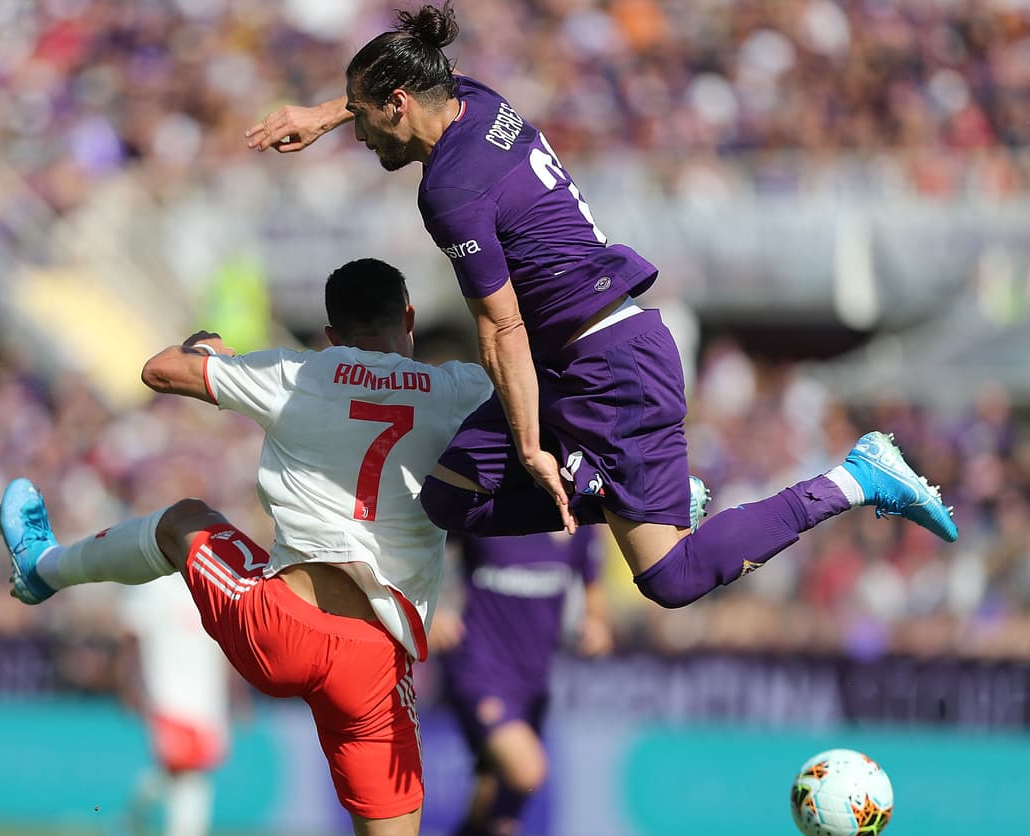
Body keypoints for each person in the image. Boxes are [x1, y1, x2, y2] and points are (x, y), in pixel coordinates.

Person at [244, 2, 957, 609]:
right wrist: (326, 112)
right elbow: (408, 82)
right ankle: (639, 491)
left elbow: (500, 328)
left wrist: (529, 448)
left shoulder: (449, 190)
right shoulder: (480, 103)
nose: (361, 134)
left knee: (669, 579)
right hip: (573, 358)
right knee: (449, 500)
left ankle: (858, 476)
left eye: (364, 118)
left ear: (399, 102)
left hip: (608, 370)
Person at [0, 259, 493, 836]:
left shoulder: (301, 373)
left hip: (284, 627)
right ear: (408, 318)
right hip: (378, 663)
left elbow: (159, 372)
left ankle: (43, 568)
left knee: (184, 522)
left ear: (332, 334)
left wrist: (208, 349)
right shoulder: (462, 390)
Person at [428, 530, 610, 836]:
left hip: (533, 682)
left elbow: (591, 582)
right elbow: (428, 543)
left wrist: (596, 621)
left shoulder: (577, 526)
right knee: (526, 771)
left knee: (496, 801)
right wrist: (432, 609)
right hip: (478, 669)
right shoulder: (491, 508)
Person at [110, 574, 231, 836]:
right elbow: (132, 635)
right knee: (186, 773)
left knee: (184, 776)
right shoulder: (153, 583)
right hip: (167, 696)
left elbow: (224, 646)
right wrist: (131, 686)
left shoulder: (211, 581)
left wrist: (235, 697)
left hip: (209, 702)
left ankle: (130, 821)